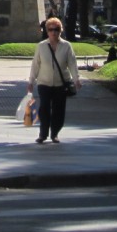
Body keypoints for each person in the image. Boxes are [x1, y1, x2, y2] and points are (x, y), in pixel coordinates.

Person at [27, 15, 81, 144]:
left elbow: (72, 64)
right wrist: (31, 81)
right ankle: (43, 134)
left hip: (60, 84)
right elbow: (36, 64)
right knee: (44, 108)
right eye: (51, 29)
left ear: (60, 30)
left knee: (58, 110)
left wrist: (76, 79)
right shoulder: (41, 46)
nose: (53, 32)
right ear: (47, 31)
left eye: (56, 29)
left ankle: (55, 133)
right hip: (44, 83)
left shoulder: (66, 46)